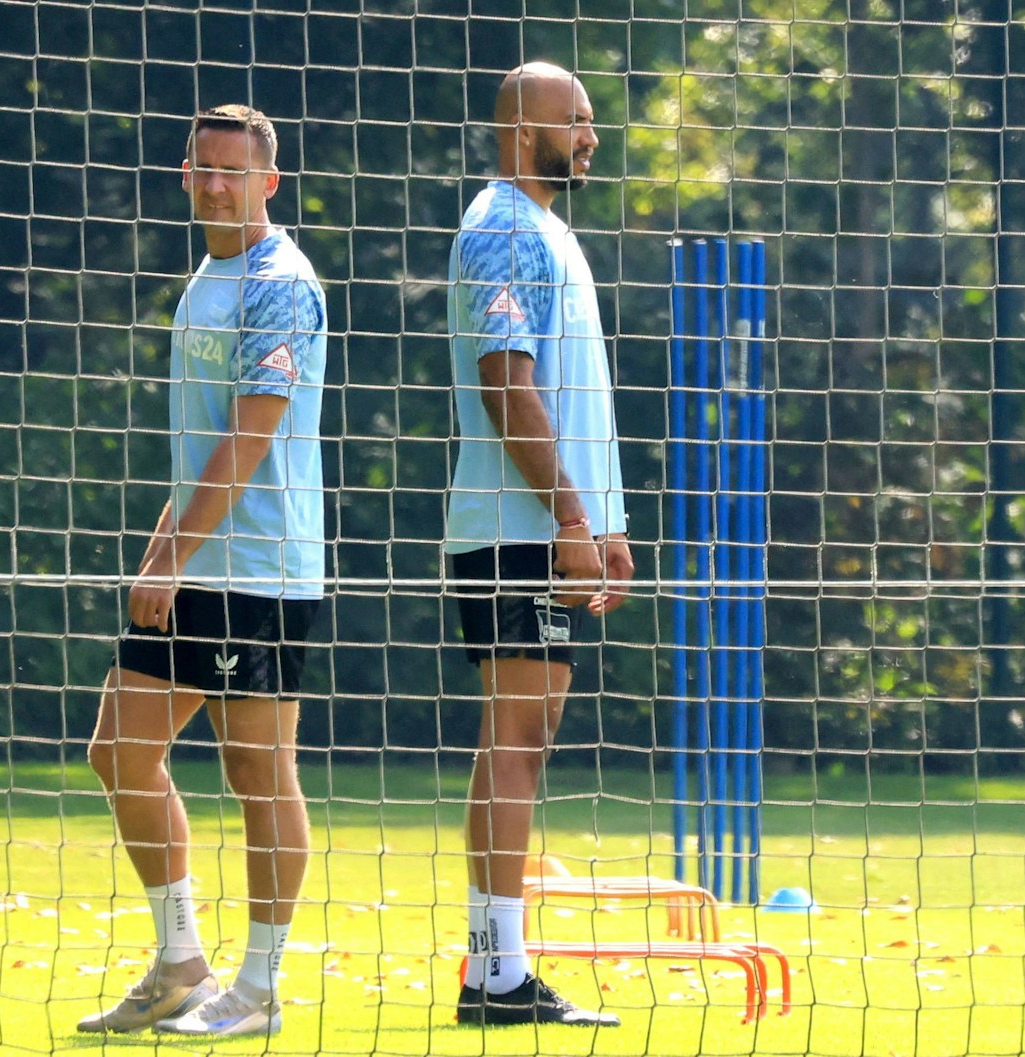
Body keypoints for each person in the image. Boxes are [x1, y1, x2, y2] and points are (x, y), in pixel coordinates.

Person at [78, 104, 328, 1038]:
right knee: (119, 751)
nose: (216, 184)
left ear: (270, 181)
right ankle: (181, 960)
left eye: (234, 171)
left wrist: (175, 555)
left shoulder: (279, 281)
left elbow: (254, 433)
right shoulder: (206, 278)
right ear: (185, 175)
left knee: (259, 775)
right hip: (194, 564)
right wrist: (161, 554)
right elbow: (196, 451)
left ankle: (257, 988)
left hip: (260, 570)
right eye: (202, 168)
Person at [444, 61, 631, 1028]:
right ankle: (495, 972)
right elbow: (506, 386)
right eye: (580, 120)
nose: (594, 137)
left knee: (525, 738)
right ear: (527, 129)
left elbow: (569, 392)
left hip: (552, 525)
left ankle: (494, 965)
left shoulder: (547, 229)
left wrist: (607, 522)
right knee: (516, 738)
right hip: (519, 527)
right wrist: (567, 517)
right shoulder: (505, 229)